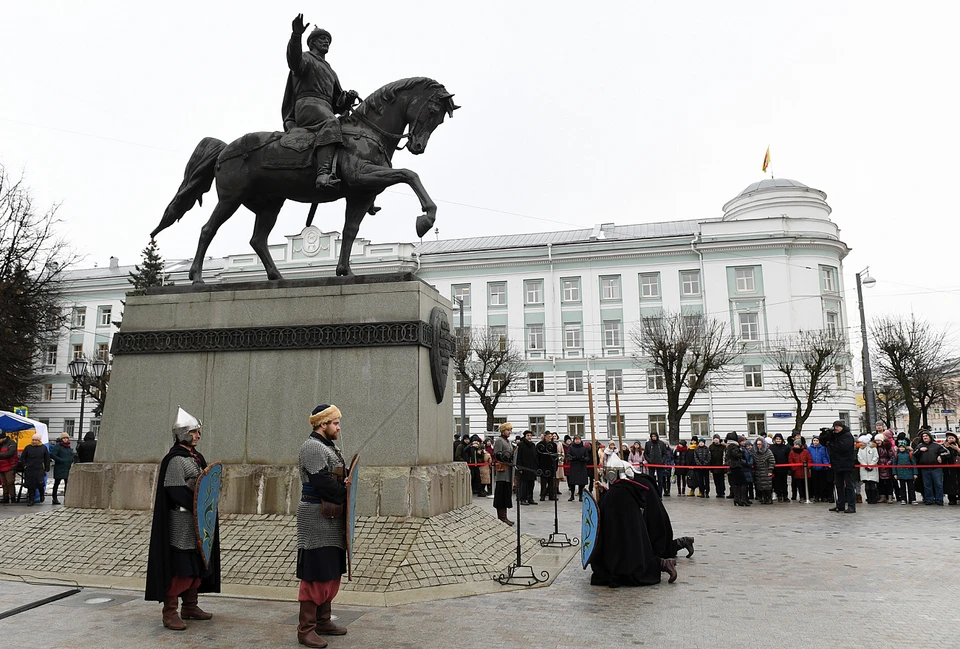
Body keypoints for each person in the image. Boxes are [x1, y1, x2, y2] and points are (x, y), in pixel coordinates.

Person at [144, 407, 220, 631]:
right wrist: (199, 503)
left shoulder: (195, 458)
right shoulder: (176, 460)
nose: (198, 435)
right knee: (181, 569)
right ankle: (170, 613)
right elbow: (175, 491)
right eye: (194, 432)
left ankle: (190, 606)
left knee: (197, 565)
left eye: (198, 432)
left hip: (196, 521)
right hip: (182, 521)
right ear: (183, 434)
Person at [588, 455, 693, 587]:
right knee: (639, 555)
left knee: (635, 561)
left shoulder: (622, 490)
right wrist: (604, 491)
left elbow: (608, 507)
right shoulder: (628, 487)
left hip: (643, 532)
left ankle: (666, 560)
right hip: (636, 532)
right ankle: (673, 553)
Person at [282, 14, 360, 189]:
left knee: (349, 132)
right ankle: (323, 174)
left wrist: (348, 98)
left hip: (324, 107)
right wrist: (296, 35)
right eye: (322, 39)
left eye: (328, 40)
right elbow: (293, 60)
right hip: (307, 105)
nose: (326, 42)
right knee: (331, 122)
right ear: (313, 43)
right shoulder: (306, 58)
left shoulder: (331, 71)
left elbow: (338, 104)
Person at [295, 403, 351, 647]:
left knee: (329, 571)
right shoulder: (312, 447)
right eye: (335, 423)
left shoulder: (330, 447)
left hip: (330, 518)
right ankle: (305, 629)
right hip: (316, 517)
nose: (338, 427)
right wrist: (344, 491)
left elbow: (336, 478)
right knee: (316, 574)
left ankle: (323, 620)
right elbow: (322, 484)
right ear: (322, 424)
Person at [820, 420, 857, 514]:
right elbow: (823, 442)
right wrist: (825, 433)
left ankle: (851, 506)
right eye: (835, 427)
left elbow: (842, 447)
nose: (836, 429)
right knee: (839, 485)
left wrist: (830, 444)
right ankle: (840, 505)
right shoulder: (834, 435)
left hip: (846, 464)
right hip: (836, 464)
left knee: (849, 486)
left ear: (841, 427)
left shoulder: (847, 435)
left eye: (837, 427)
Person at [913, 430, 949, 506]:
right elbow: (914, 454)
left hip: (936, 468)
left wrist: (941, 456)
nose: (925, 437)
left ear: (930, 437)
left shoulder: (936, 445)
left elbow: (947, 452)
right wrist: (919, 450)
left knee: (938, 484)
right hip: (924, 468)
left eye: (926, 436)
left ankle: (939, 500)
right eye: (923, 436)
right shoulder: (920, 446)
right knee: (927, 485)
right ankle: (929, 499)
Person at [18, 434, 50, 506]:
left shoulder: (43, 448)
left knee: (40, 483)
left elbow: (47, 459)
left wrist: (46, 468)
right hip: (29, 469)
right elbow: (23, 458)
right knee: (30, 485)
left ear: (39, 441)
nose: (34, 441)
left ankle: (42, 495)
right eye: (33, 440)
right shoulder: (28, 447)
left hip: (39, 469)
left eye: (36, 440)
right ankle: (31, 500)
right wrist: (25, 466)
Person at [493, 423, 515, 525]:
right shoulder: (499, 441)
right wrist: (505, 457)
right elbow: (498, 454)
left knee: (506, 494)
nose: (509, 432)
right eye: (507, 430)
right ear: (503, 431)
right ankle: (501, 517)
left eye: (510, 430)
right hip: (502, 472)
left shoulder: (509, 442)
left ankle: (505, 516)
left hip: (508, 471)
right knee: (501, 494)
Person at [49, 432, 75, 506]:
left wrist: (71, 460)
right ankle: (54, 498)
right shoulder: (58, 446)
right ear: (61, 439)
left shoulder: (68, 447)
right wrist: (60, 460)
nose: (65, 440)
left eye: (67, 438)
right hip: (59, 468)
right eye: (64, 438)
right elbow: (53, 455)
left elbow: (71, 455)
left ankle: (66, 498)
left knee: (67, 484)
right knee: (57, 483)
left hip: (67, 468)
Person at [723, 432, 749, 506]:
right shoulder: (733, 446)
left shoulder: (729, 446)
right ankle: (741, 499)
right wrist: (742, 453)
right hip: (736, 466)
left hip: (733, 466)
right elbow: (736, 455)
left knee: (736, 484)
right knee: (743, 483)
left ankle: (737, 499)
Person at [515, 430, 538, 506]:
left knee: (531, 484)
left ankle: (530, 498)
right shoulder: (521, 445)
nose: (529, 437)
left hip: (532, 468)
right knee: (524, 484)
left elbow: (535, 456)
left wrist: (536, 467)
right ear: (525, 436)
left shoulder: (532, 445)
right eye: (528, 435)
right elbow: (519, 457)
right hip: (524, 467)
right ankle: (523, 499)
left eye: (530, 435)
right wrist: (520, 468)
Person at [891, 439, 918, 505]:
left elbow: (914, 464)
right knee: (902, 487)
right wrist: (894, 473)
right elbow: (894, 464)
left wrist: (915, 473)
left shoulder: (910, 454)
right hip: (901, 473)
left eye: (903, 447)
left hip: (909, 473)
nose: (901, 448)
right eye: (900, 447)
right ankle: (903, 499)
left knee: (911, 487)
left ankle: (912, 499)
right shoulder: (896, 455)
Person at [807, 436, 832, 503]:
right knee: (815, 483)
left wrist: (827, 464)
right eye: (814, 440)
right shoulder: (809, 448)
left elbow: (824, 457)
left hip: (822, 468)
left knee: (822, 483)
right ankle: (816, 496)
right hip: (813, 468)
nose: (815, 442)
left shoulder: (823, 448)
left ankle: (823, 496)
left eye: (817, 440)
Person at [643, 432, 669, 497]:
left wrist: (662, 460)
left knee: (660, 480)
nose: (654, 437)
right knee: (651, 480)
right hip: (651, 464)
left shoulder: (661, 444)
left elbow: (665, 453)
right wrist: (649, 460)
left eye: (655, 436)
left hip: (660, 464)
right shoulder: (648, 444)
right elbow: (645, 453)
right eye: (652, 436)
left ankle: (659, 494)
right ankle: (652, 494)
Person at [566, 435, 589, 501]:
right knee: (573, 482)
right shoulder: (571, 447)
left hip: (582, 466)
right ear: (574, 440)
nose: (578, 441)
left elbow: (587, 457)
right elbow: (568, 456)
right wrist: (573, 458)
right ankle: (572, 495)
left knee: (581, 483)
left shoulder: (584, 448)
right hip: (574, 466)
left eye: (579, 439)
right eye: (576, 439)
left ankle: (580, 496)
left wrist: (583, 459)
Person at [753, 437, 775, 504]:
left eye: (760, 444)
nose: (758, 446)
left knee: (767, 486)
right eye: (757, 444)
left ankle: (769, 499)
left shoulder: (768, 452)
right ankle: (764, 499)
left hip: (766, 471)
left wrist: (770, 471)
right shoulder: (756, 453)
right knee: (761, 486)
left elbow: (772, 461)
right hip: (758, 472)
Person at [875, 433, 896, 503]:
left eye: (879, 440)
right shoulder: (875, 447)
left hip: (886, 465)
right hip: (878, 465)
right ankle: (882, 496)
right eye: (876, 440)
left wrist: (888, 464)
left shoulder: (887, 447)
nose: (877, 442)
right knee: (880, 482)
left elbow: (892, 456)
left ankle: (890, 496)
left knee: (888, 481)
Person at [770, 433, 791, 503]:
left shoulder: (786, 447)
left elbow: (788, 457)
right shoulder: (772, 447)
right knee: (777, 483)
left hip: (784, 468)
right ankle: (779, 495)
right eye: (777, 439)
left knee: (784, 483)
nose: (778, 440)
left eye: (779, 439)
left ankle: (785, 496)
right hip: (775, 468)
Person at [537, 432, 558, 501]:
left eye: (551, 436)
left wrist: (556, 465)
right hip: (543, 465)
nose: (550, 438)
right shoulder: (540, 445)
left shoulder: (553, 445)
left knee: (551, 482)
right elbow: (537, 456)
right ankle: (542, 495)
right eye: (549, 436)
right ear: (545, 437)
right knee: (543, 482)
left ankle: (551, 495)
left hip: (551, 465)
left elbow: (555, 456)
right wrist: (538, 466)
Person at [0, 430, 18, 504]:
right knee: (4, 483)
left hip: (10, 466)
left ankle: (13, 497)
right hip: (1, 466)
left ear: (3, 438)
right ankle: (5, 497)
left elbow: (10, 453)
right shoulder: (1, 444)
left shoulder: (12, 443)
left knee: (10, 482)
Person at [943, 432, 960, 506]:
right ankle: (952, 498)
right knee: (950, 483)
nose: (951, 440)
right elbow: (942, 455)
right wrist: (945, 448)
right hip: (949, 468)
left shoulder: (958, 446)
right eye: (949, 438)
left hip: (958, 468)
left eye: (952, 438)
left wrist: (958, 449)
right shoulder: (944, 447)